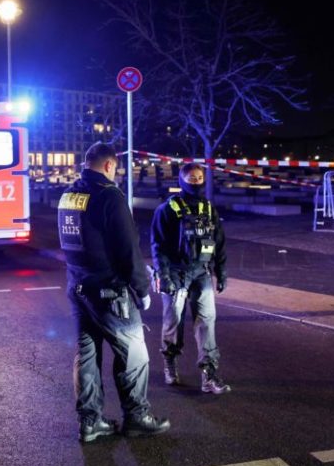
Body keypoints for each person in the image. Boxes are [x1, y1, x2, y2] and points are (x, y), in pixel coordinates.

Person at [59, 142, 170, 443]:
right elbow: (128, 249)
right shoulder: (110, 196)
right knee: (134, 355)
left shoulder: (69, 195)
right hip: (110, 291)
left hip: (79, 287)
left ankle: (90, 422)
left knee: (86, 356)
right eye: (116, 168)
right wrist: (142, 289)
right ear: (109, 165)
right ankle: (136, 417)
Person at [150, 162, 230, 394]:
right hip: (175, 273)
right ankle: (170, 362)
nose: (195, 181)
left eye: (199, 177)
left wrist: (222, 272)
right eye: (191, 178)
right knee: (173, 321)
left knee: (206, 323)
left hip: (201, 273)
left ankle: (209, 375)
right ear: (182, 180)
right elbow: (158, 246)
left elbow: (220, 243)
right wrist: (164, 276)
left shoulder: (208, 208)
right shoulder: (167, 209)